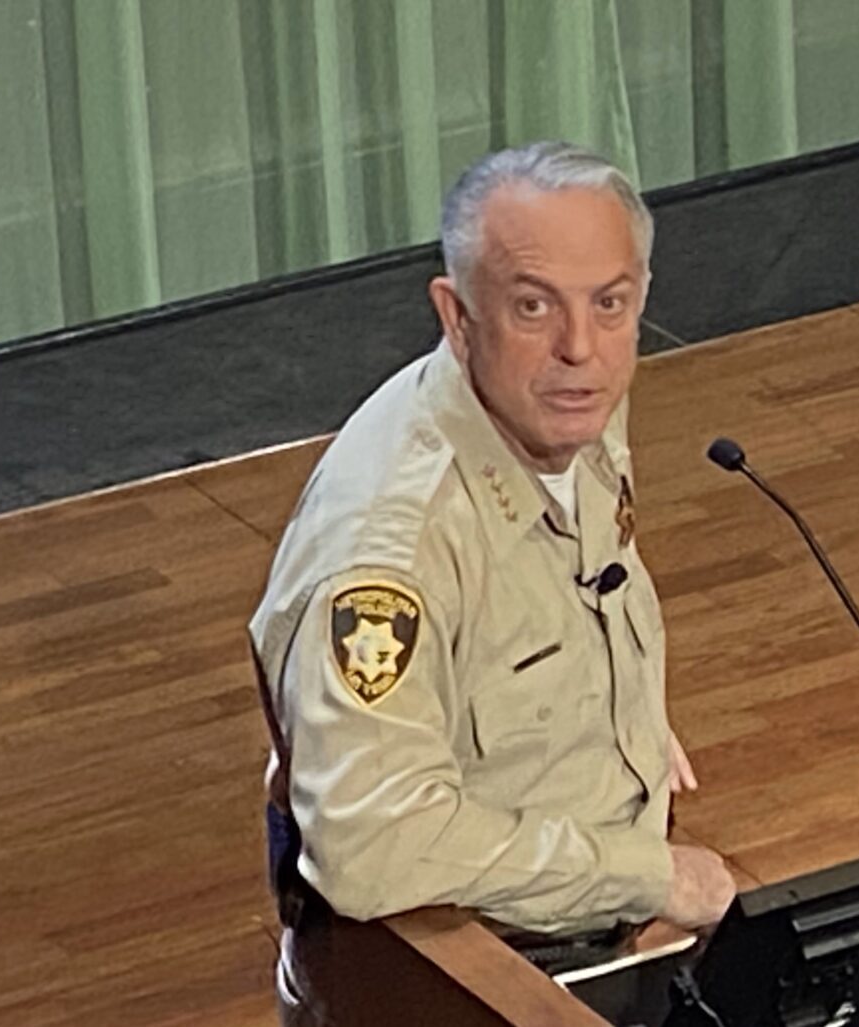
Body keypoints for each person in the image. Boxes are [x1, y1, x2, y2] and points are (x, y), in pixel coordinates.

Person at [247, 142, 736, 1025]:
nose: (580, 347)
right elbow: (374, 846)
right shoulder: (387, 557)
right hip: (446, 974)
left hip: (594, 935)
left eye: (611, 303)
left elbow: (576, 580)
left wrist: (620, 717)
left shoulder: (560, 394)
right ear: (457, 314)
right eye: (532, 305)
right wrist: (648, 870)